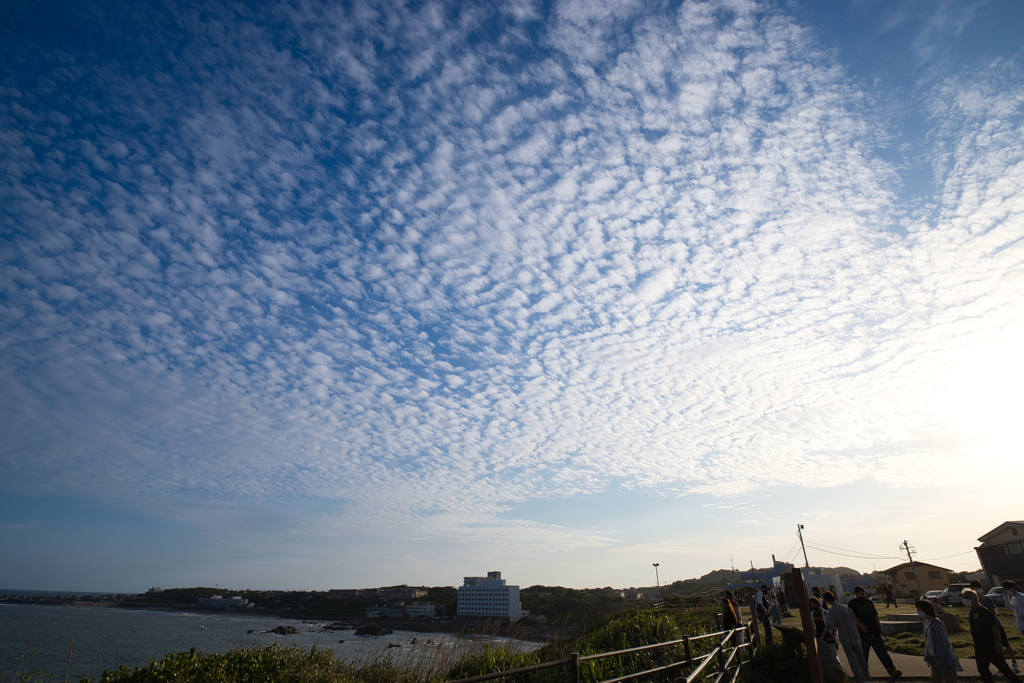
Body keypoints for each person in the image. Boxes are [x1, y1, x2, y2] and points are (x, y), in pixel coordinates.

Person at [963, 589, 1023, 683]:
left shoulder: (985, 612)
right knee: (983, 672)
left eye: (967, 598)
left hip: (992, 648)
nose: (965, 600)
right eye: (964, 598)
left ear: (975, 599)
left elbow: (995, 628)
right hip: (980, 649)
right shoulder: (971, 612)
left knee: (1005, 671)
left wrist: (998, 644)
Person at [849, 586, 903, 679]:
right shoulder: (852, 603)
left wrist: (880, 628)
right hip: (862, 633)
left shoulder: (869, 602)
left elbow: (875, 616)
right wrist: (861, 625)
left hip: (875, 632)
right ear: (856, 594)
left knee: (883, 652)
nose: (862, 596)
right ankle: (862, 674)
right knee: (863, 654)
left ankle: (891, 670)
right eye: (860, 594)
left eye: (863, 594)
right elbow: (852, 616)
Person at [823, 590, 871, 683]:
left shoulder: (832, 610)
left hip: (845, 637)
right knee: (861, 658)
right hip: (855, 635)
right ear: (834, 597)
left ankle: (860, 680)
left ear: (826, 600)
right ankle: (866, 678)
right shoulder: (846, 608)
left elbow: (831, 624)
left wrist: (826, 636)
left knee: (853, 660)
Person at [971, 579, 1018, 672]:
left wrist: (985, 606)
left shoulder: (987, 599)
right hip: (984, 629)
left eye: (979, 587)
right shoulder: (972, 601)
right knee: (993, 646)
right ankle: (1002, 664)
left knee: (1005, 644)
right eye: (974, 588)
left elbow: (995, 612)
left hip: (996, 624)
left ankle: (1014, 662)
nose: (977, 589)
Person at [917, 599, 962, 682]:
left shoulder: (937, 624)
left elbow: (941, 642)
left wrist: (940, 659)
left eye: (919, 609)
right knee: (935, 679)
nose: (918, 612)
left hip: (944, 657)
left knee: (949, 678)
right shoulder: (926, 622)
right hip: (933, 656)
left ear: (925, 609)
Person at [811, 596, 842, 677]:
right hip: (819, 637)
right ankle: (829, 674)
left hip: (828, 637)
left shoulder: (825, 613)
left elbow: (831, 625)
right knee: (823, 658)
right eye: (812, 605)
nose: (813, 606)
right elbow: (814, 626)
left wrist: (832, 636)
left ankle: (840, 673)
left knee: (833, 657)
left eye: (814, 604)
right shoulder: (812, 614)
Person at [1005, 581, 1024, 673]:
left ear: (1013, 588)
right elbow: (1009, 607)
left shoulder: (1021, 597)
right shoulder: (1013, 598)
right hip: (1021, 624)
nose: (1007, 591)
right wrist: (1005, 596)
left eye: (1008, 589)